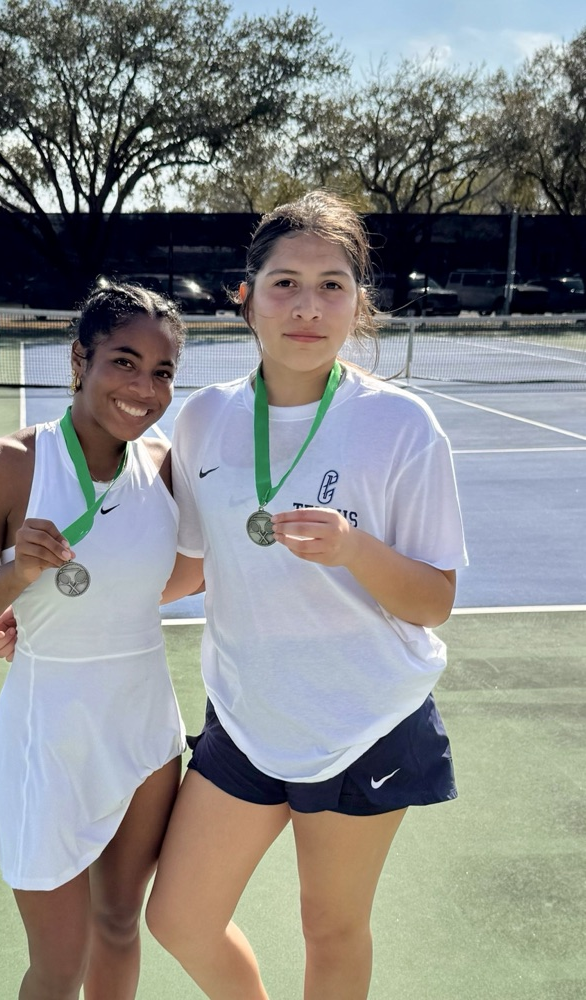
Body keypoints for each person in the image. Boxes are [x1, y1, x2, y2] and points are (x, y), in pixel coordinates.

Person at [143, 190, 468, 999]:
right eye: (285, 282)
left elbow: (432, 601)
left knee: (330, 928)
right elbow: (190, 564)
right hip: (247, 716)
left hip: (365, 721)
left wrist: (355, 549)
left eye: (332, 285)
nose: (308, 305)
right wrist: (55, 606)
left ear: (360, 304)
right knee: (178, 918)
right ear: (244, 295)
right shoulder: (204, 418)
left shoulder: (402, 425)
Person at [0, 281, 191, 1000]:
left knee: (118, 925)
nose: (143, 387)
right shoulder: (4, 465)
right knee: (59, 960)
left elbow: (179, 576)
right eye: (124, 362)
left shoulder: (166, 467)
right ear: (79, 360)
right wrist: (18, 577)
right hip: (49, 732)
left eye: (162, 371)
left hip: (144, 729)